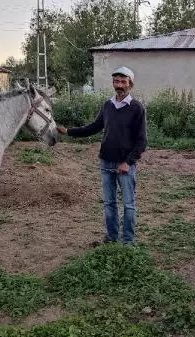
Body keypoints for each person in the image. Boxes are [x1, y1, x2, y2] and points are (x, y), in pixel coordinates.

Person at [56, 66, 147, 245]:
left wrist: (128, 162)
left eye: (123, 81)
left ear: (131, 84)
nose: (119, 85)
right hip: (106, 162)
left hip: (125, 165)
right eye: (116, 81)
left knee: (128, 205)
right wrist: (68, 131)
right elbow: (93, 127)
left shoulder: (137, 108)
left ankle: (128, 242)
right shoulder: (108, 105)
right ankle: (112, 238)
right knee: (109, 204)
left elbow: (142, 142)